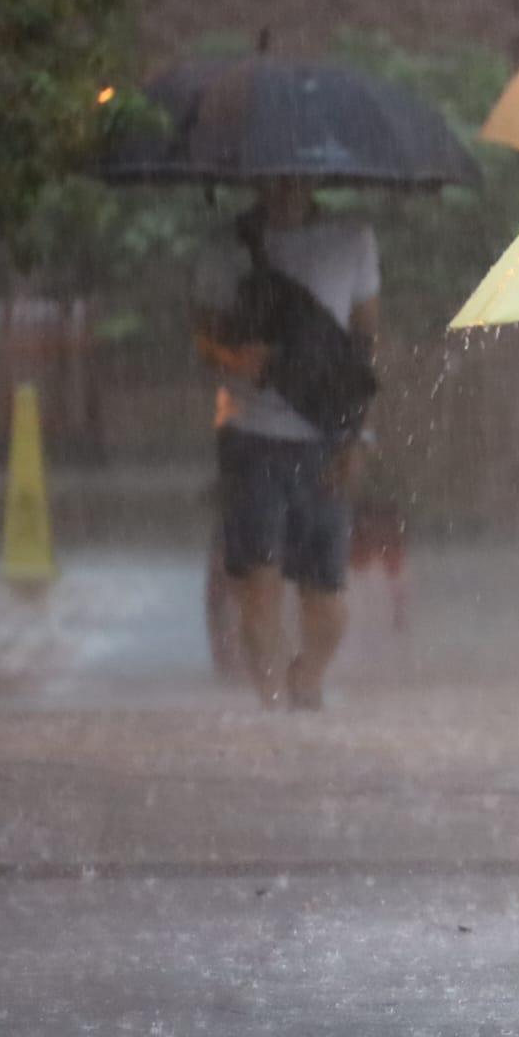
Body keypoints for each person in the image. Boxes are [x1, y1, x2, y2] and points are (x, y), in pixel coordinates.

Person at [192, 180, 379, 712]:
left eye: (297, 173)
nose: (286, 184)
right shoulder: (227, 247)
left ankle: (306, 679)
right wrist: (235, 358)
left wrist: (359, 436)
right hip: (249, 436)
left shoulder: (352, 239)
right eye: (275, 174)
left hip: (327, 436)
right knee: (258, 582)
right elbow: (202, 336)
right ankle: (271, 699)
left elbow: (366, 346)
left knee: (327, 597)